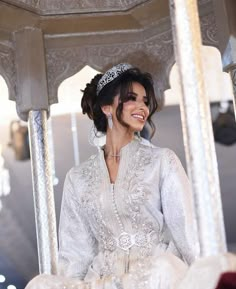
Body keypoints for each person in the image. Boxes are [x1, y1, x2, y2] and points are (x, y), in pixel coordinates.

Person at [26, 63, 200, 289]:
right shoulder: (77, 178)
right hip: (103, 280)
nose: (142, 107)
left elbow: (186, 230)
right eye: (132, 98)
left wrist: (209, 275)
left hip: (154, 276)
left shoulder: (162, 161)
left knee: (166, 268)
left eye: (145, 101)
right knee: (41, 284)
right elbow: (75, 251)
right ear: (107, 107)